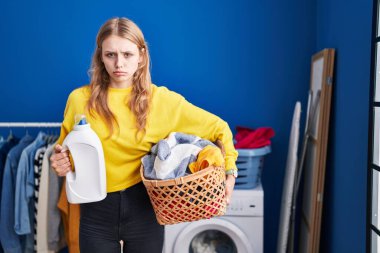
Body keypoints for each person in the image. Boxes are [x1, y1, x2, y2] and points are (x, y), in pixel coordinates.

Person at [50, 17, 239, 253]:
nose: (119, 63)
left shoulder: (161, 101)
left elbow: (219, 128)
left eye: (127, 54)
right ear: (100, 56)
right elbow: (63, 153)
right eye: (110, 55)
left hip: (144, 210)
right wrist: (59, 162)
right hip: (94, 212)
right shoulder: (79, 100)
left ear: (141, 55)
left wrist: (230, 174)